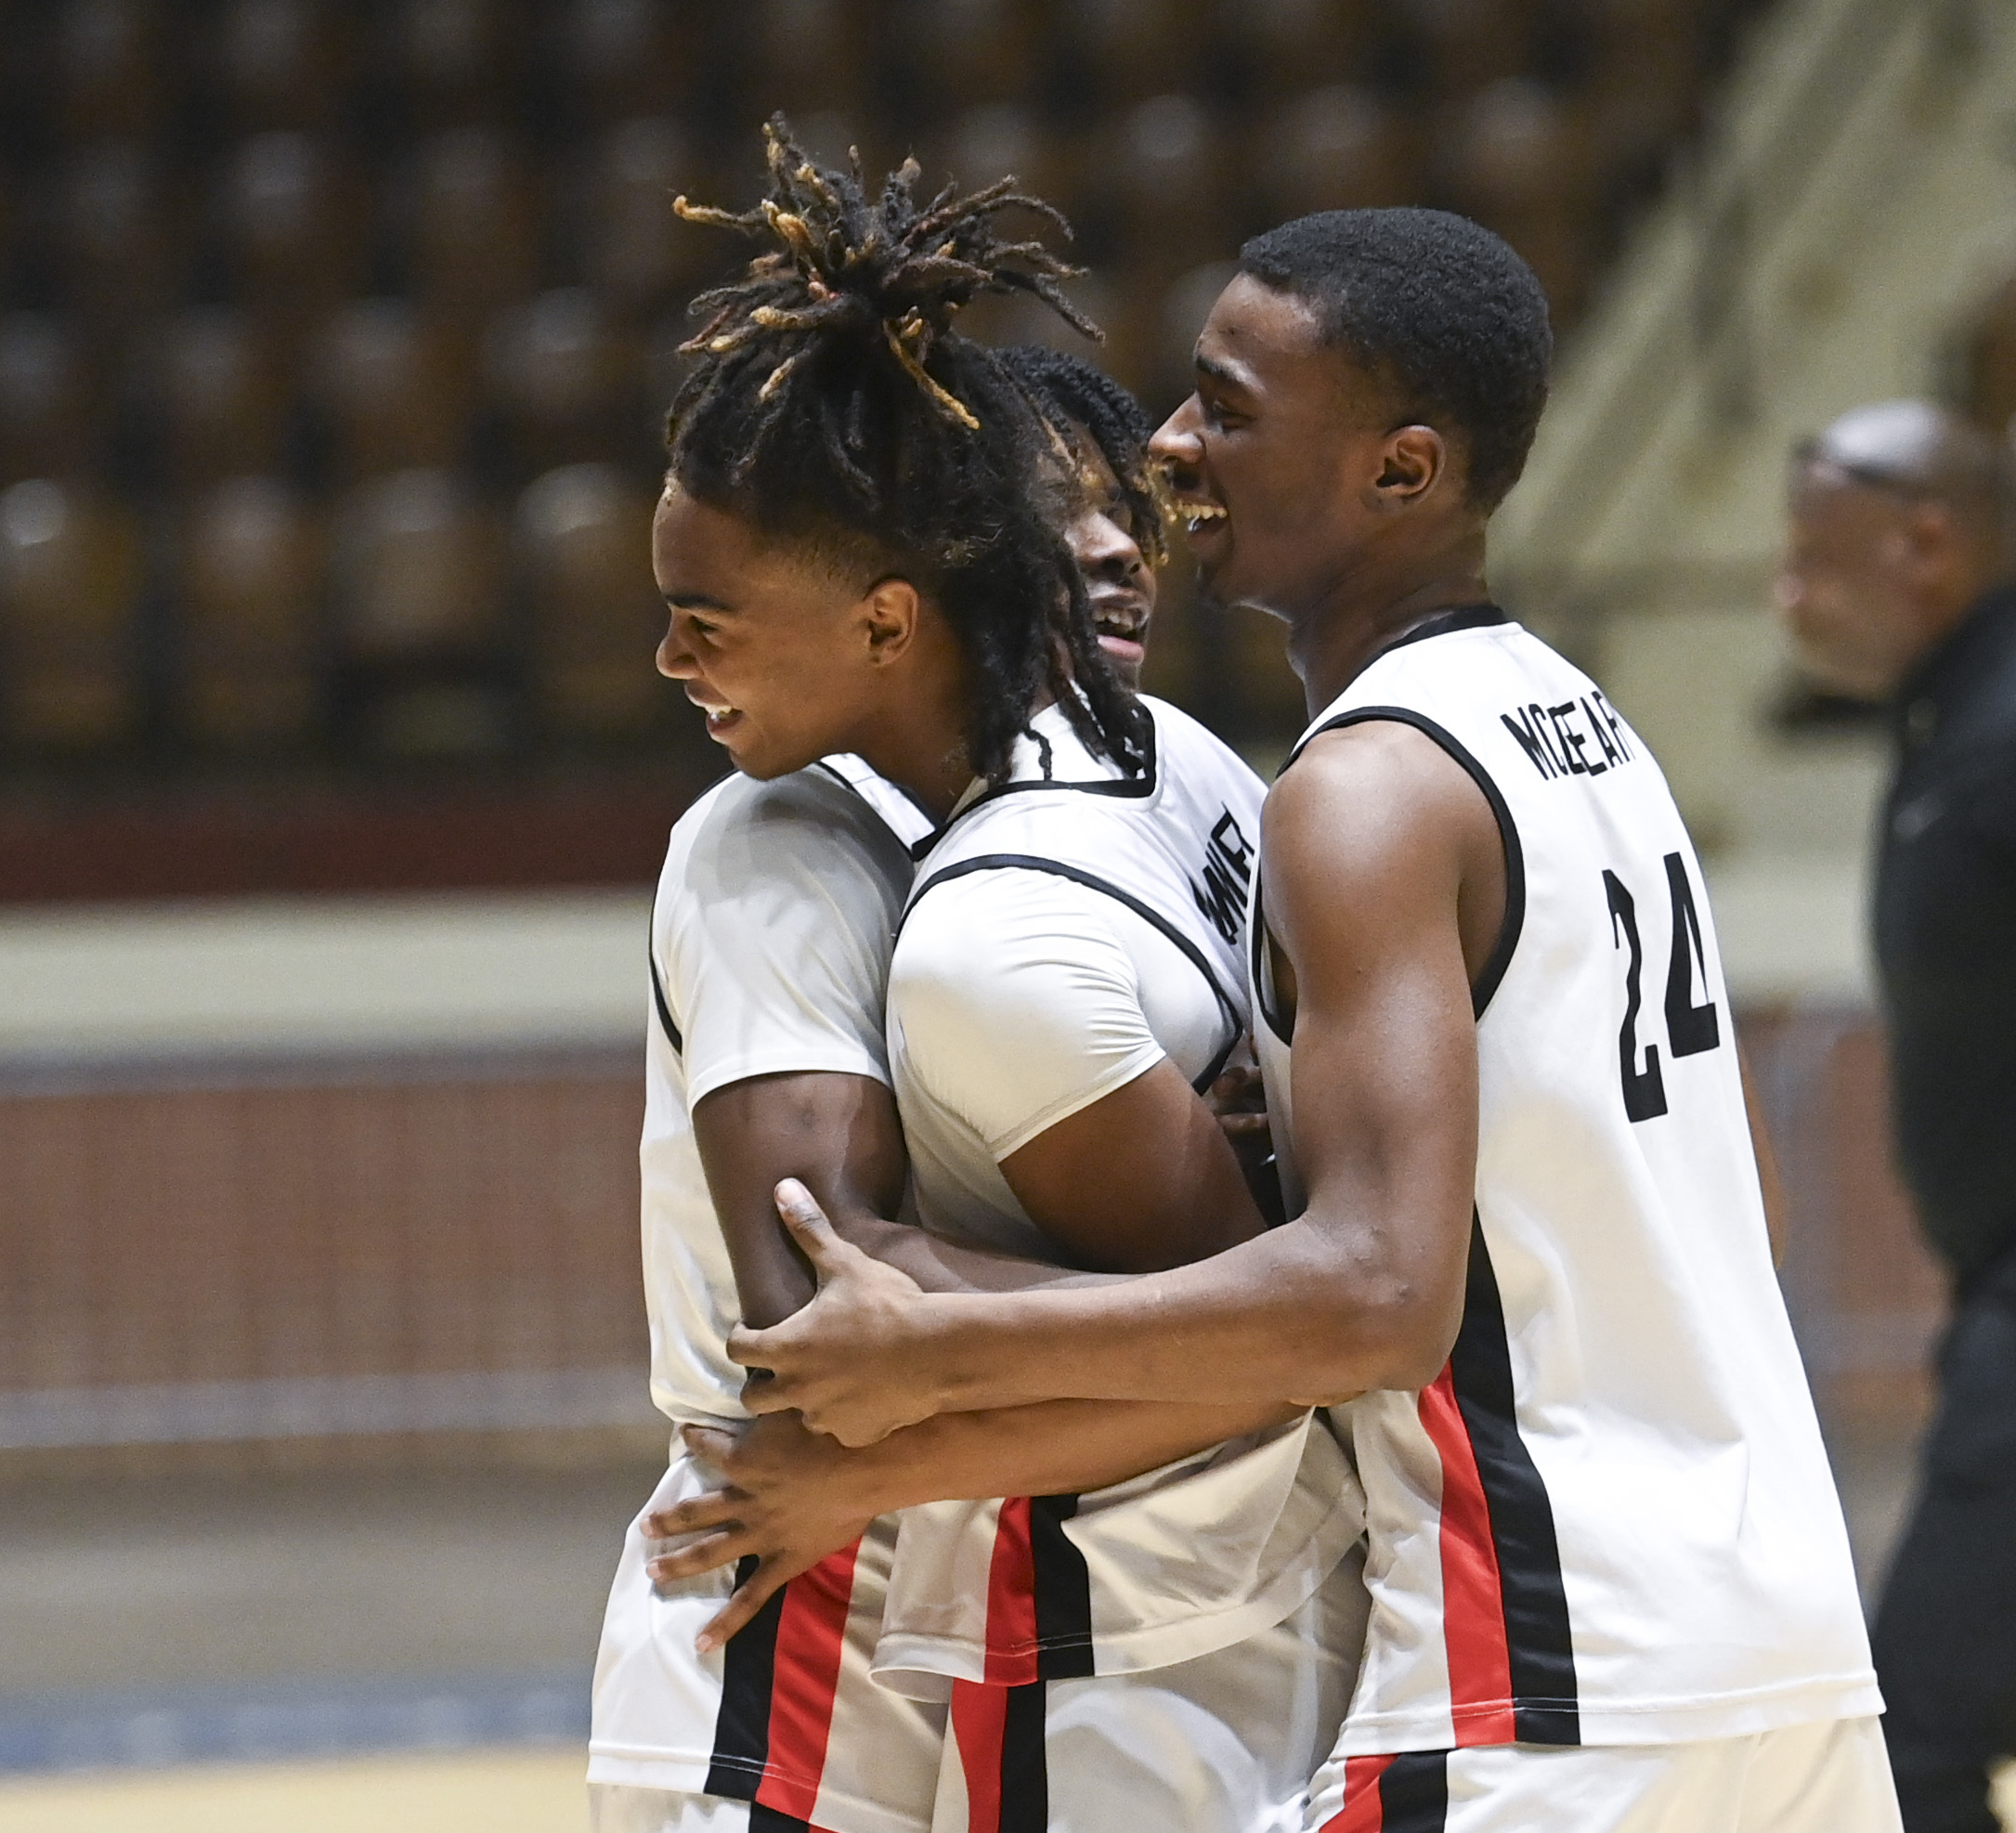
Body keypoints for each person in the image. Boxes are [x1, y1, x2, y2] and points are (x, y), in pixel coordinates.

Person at [728, 206, 1896, 1830]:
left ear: (1400, 472)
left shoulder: (1356, 792)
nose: (1169, 443)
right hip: (1785, 1634)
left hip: (1550, 1663)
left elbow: (1378, 1296)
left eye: (1227, 405)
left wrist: (948, 1344)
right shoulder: (1581, 728)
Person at [616, 124, 1367, 1833]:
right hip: (799, 1619)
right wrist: (1276, 1229)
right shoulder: (769, 849)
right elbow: (816, 1339)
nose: (665, 657)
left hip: (1021, 1602)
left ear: (889, 616)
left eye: (703, 613)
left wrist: (1284, 1236)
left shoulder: (1120, 790)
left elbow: (1224, 1309)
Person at [1775, 398, 2016, 1833]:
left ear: (1923, 541)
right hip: (1988, 1297)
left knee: (1912, 1740)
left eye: (1812, 558)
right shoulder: (1950, 718)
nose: (1785, 595)